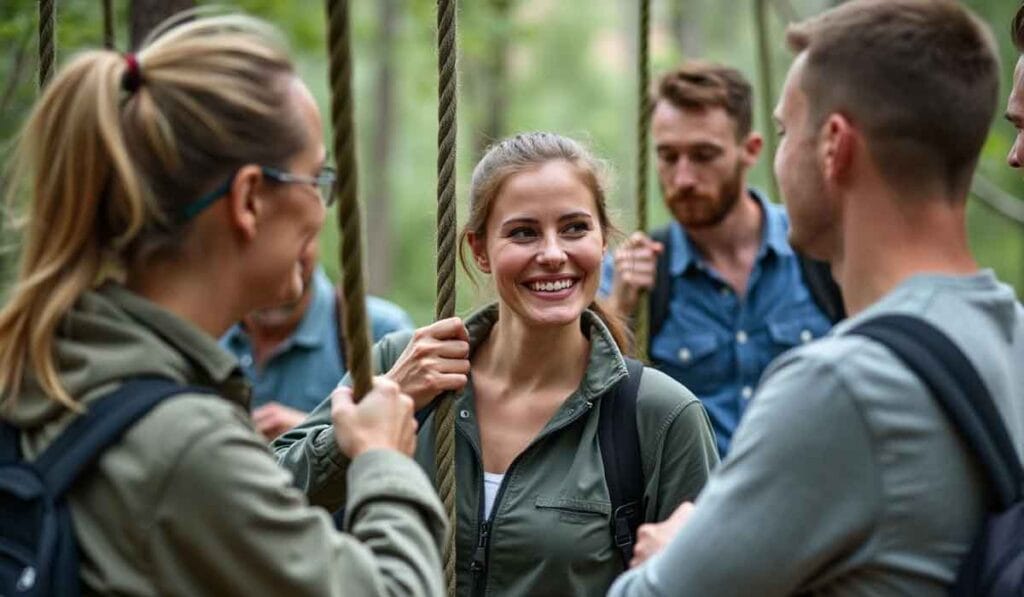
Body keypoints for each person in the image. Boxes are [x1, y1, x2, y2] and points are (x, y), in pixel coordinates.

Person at [0, 14, 446, 596]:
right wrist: (381, 460)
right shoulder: (183, 442)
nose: (323, 208)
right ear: (249, 199)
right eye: (316, 178)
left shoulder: (48, 363)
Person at [608, 1, 1024, 595]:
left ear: (834, 147)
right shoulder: (1012, 333)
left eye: (783, 132)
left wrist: (670, 553)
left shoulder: (841, 385)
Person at [275, 132, 719, 596]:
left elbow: (711, 578)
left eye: (574, 228)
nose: (552, 254)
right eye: (523, 232)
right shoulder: (401, 365)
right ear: (480, 250)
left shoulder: (658, 415)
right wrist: (382, 410)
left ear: (603, 240)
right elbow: (264, 500)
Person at [600, 61, 837, 456]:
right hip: (696, 510)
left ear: (751, 150)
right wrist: (621, 308)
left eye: (704, 155)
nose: (684, 179)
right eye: (668, 156)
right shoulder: (635, 274)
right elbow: (585, 402)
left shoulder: (820, 250)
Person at [221, 237, 413, 439]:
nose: (281, 257)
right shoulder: (204, 331)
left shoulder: (379, 329)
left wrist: (310, 433)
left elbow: (415, 446)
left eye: (299, 238)